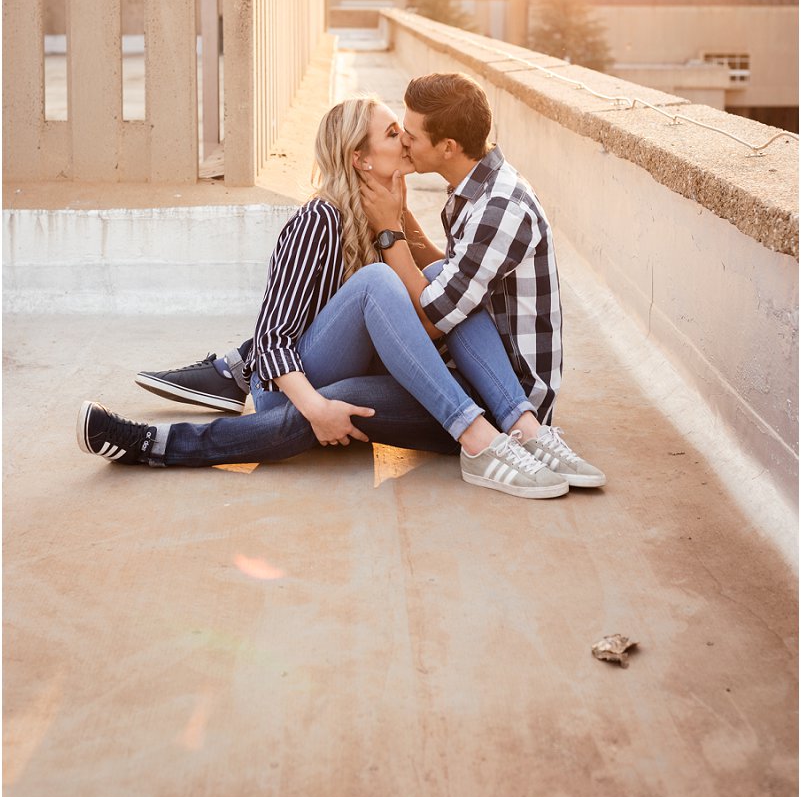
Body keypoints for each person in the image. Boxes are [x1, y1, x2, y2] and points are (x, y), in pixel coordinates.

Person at [78, 92, 584, 498]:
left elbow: (432, 305)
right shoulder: (319, 219)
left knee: (442, 287)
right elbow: (274, 337)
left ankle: (523, 429)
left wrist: (399, 225)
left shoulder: (386, 208)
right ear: (359, 158)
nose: (406, 141)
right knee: (382, 286)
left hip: (350, 378)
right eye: (393, 133)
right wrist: (317, 410)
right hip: (291, 386)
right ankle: (150, 441)